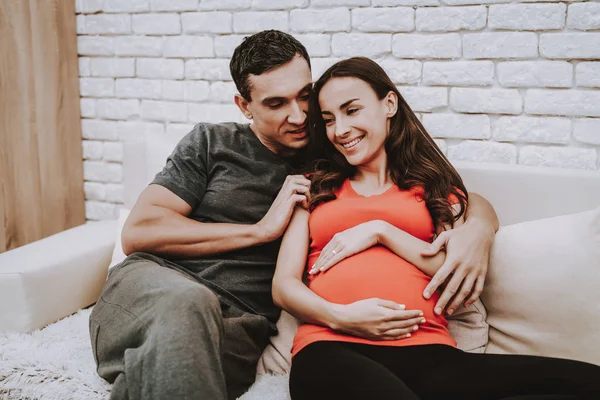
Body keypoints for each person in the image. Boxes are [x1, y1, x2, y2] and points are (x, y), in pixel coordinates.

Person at [89, 31, 498, 400]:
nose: (300, 115)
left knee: (168, 375)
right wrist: (260, 231)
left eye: (305, 96)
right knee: (189, 302)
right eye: (276, 103)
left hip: (237, 327)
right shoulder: (213, 142)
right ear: (244, 105)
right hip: (154, 290)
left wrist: (480, 226)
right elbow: (140, 231)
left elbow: (438, 186)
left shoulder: (334, 151)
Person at [272, 56, 600, 400]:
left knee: (587, 381)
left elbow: (450, 271)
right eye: (328, 120)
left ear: (389, 104)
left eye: (351, 110)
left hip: (430, 354)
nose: (340, 130)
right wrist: (341, 317)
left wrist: (381, 230)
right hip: (331, 350)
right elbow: (284, 286)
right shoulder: (314, 188)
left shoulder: (432, 189)